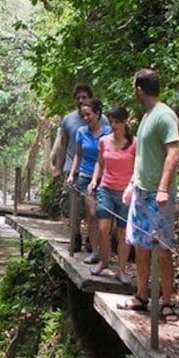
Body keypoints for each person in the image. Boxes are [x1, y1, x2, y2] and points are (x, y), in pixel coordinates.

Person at [118, 68, 179, 321]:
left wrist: (163, 188)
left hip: (157, 194)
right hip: (141, 192)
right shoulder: (146, 116)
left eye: (135, 88)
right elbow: (143, 155)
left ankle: (168, 301)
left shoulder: (165, 116)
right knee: (140, 246)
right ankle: (142, 295)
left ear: (139, 89)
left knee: (162, 249)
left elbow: (174, 152)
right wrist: (132, 182)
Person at [90, 106, 136, 282]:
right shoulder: (104, 141)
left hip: (125, 192)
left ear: (125, 122)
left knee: (123, 232)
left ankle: (122, 269)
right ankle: (104, 261)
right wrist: (95, 180)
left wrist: (132, 185)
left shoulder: (134, 143)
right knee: (103, 228)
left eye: (117, 122)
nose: (114, 125)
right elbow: (100, 163)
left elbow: (138, 168)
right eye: (111, 122)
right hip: (106, 189)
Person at [67, 98, 112, 264]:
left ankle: (104, 249)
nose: (86, 118)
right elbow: (78, 154)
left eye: (89, 114)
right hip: (86, 176)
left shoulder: (109, 132)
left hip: (105, 177)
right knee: (92, 214)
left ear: (97, 114)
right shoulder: (81, 132)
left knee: (105, 217)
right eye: (83, 115)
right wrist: (72, 174)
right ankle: (95, 250)